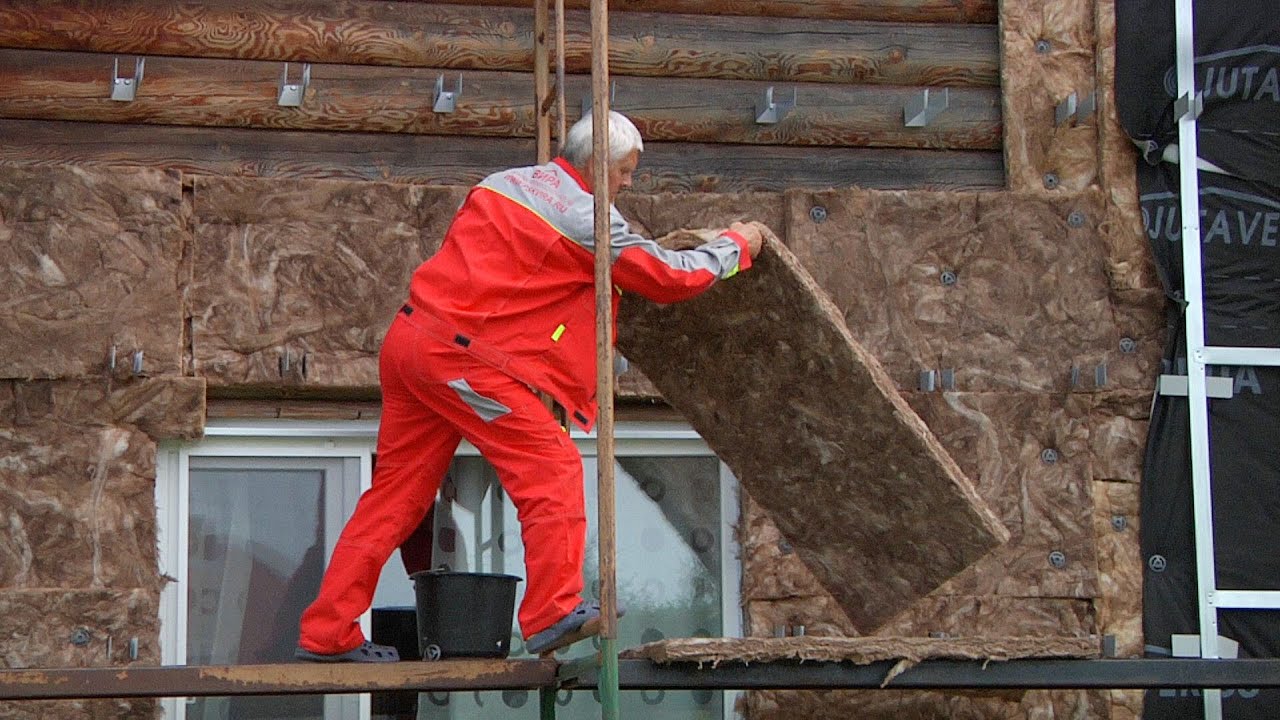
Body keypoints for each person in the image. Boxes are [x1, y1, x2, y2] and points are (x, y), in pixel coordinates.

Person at [295, 111, 763, 662]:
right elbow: (671, 278)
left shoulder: (504, 183)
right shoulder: (585, 217)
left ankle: (325, 632)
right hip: (461, 358)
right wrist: (740, 245)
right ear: (597, 164)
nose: (631, 183)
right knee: (551, 465)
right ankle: (551, 612)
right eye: (627, 172)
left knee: (394, 499)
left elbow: (520, 281)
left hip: (412, 340)